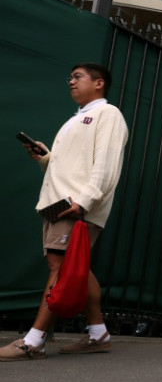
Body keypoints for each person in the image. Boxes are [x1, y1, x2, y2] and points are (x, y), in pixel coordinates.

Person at [1, 63, 128, 361]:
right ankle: (99, 335)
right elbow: (72, 164)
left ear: (99, 83)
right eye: (70, 77)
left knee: (60, 267)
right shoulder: (79, 118)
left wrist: (85, 200)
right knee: (75, 268)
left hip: (76, 205)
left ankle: (34, 341)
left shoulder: (108, 114)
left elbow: (107, 165)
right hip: (59, 204)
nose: (70, 81)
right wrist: (46, 159)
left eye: (77, 77)